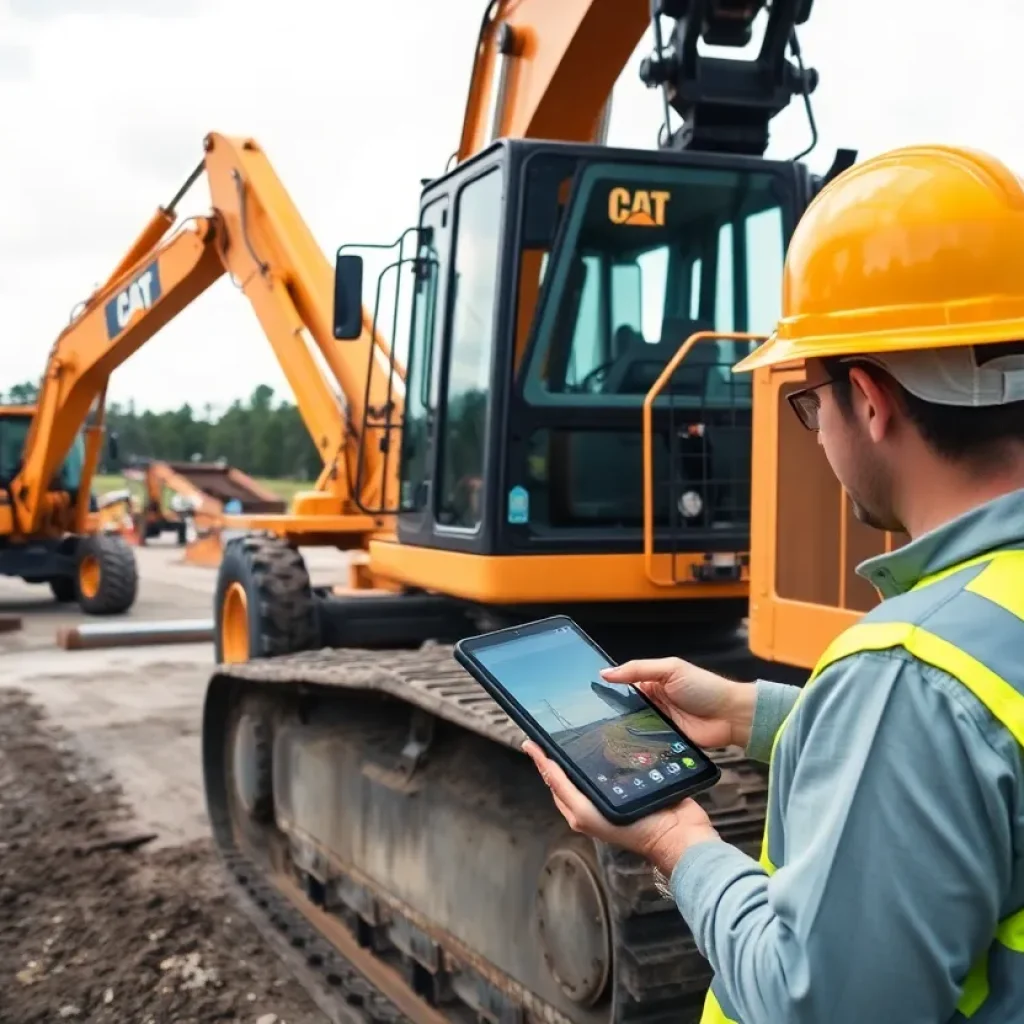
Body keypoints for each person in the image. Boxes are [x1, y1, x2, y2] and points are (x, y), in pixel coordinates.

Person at [522, 143, 1024, 1024]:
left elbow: (818, 1003)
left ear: (868, 399)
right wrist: (762, 714)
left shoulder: (911, 677)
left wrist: (679, 843)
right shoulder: (957, 655)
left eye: (808, 401)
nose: (816, 433)